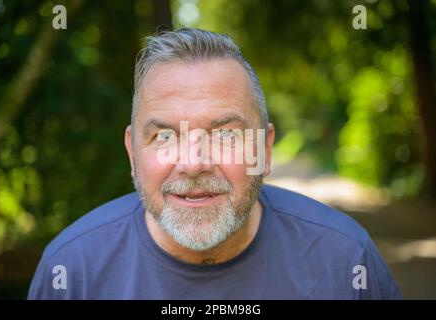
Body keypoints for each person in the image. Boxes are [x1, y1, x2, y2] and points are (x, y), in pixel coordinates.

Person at [28, 28, 402, 299]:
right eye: (164, 136)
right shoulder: (72, 271)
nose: (193, 164)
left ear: (265, 149)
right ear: (132, 153)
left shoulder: (346, 260)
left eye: (224, 135)